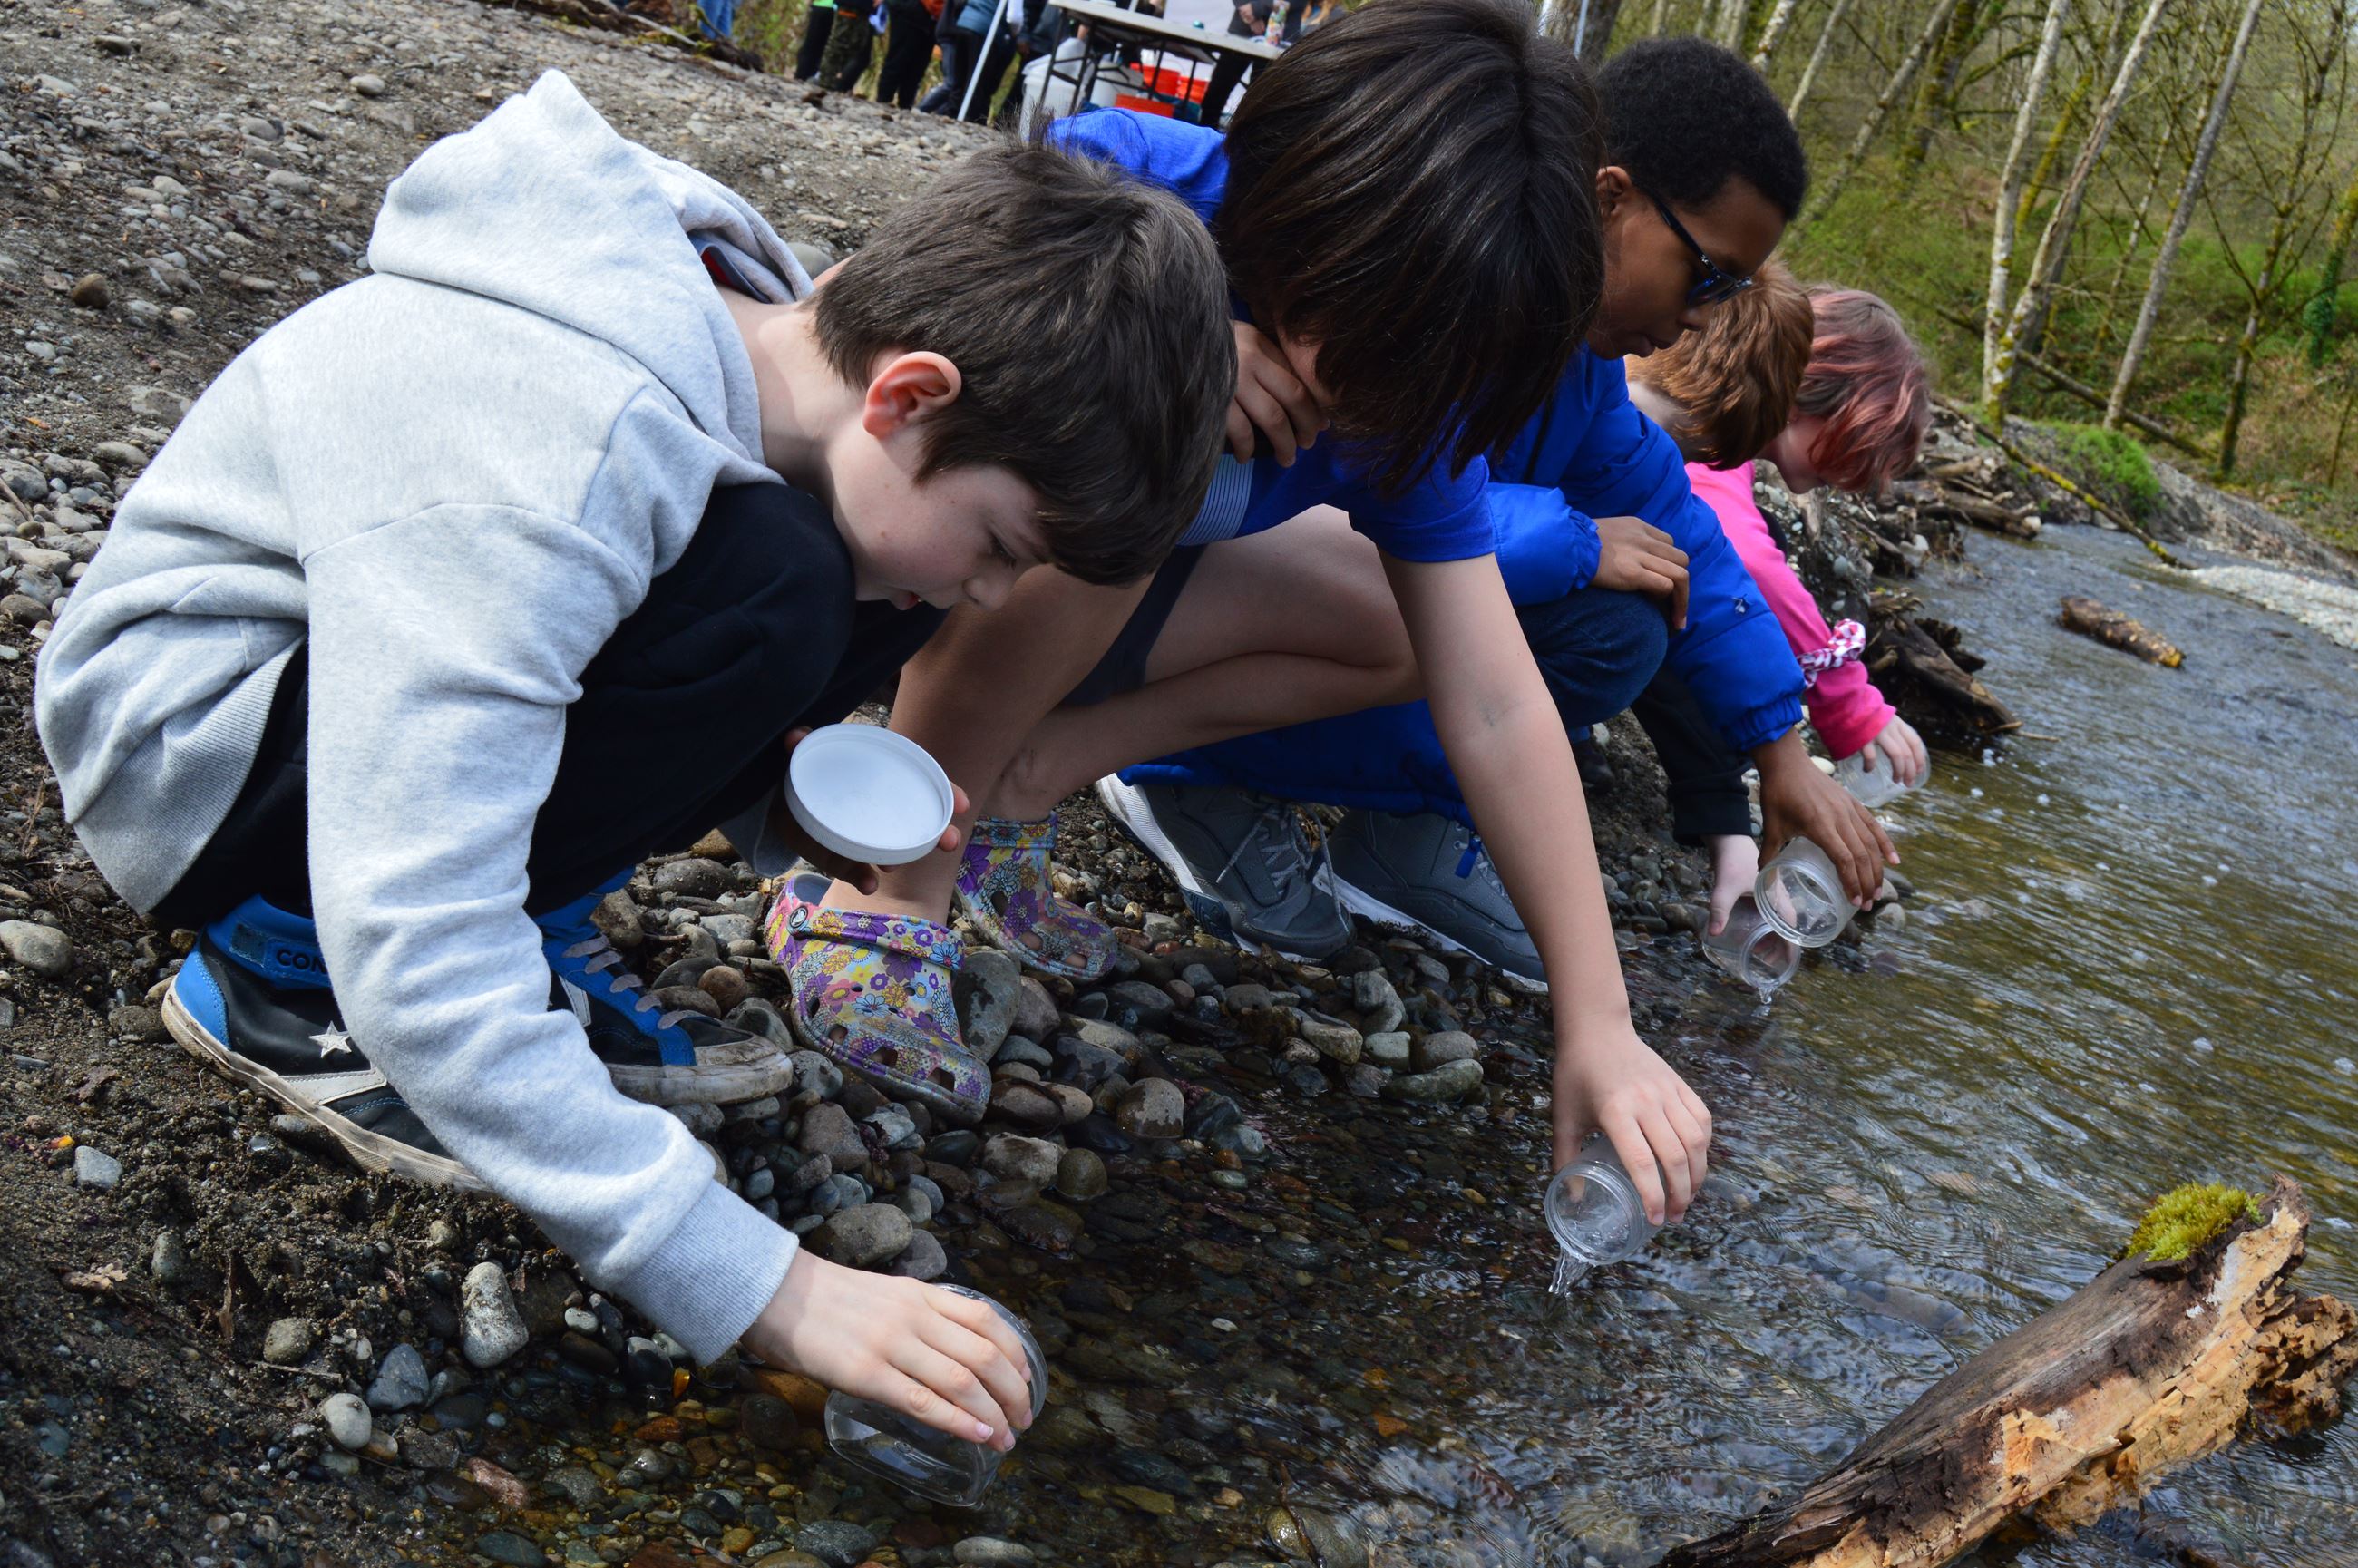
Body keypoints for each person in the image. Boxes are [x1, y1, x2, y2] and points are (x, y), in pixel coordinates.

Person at [34, 73, 1233, 1439]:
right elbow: (415, 928)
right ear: (909, 392)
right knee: (796, 581)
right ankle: (275, 975)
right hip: (186, 748)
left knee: (837, 587)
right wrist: (770, 1286)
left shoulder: (767, 371)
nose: (981, 600)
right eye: (1004, 548)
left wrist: (795, 812)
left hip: (360, 703)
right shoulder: (561, 439)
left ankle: (519, 934)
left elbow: (633, 669)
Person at [779, 0, 1720, 1227]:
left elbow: (1493, 696)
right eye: (1369, 347)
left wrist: (1598, 1018)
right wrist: (1180, 332)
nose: (1366, 402)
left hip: (1101, 592)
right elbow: (890, 323)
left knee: (1407, 622)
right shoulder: (1151, 188)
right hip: (929, 551)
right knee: (1141, 449)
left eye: (1426, 379)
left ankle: (1015, 789)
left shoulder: (1412, 393)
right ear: (1298, 207)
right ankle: (886, 873)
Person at [1101, 38, 1892, 999]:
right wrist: (1186, 317)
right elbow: (1087, 161)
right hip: (1180, 556)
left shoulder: (1583, 367)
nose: (1698, 320)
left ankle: (1399, 829)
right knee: (1422, 611)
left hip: (1288, 574)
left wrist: (1782, 753)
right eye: (1708, 277)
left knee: (1613, 630)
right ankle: (1178, 774)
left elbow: (1674, 524)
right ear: (1607, 197)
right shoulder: (1412, 256)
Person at [1621, 268, 1933, 932]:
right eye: (1857, 450)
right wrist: (1843, 699)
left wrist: (1734, 829)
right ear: (1806, 386)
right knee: (1643, 618)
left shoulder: (1704, 426)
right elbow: (1741, 561)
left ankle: (1726, 834)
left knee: (1670, 610)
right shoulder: (1688, 426)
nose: (1858, 483)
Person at [1197, 0, 1299, 129]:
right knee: (1217, 92)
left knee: (1261, 102)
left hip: (1281, 35)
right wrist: (1250, 15)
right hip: (1241, 30)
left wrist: (1256, 9)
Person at [876, 0, 943, 109]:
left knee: (917, 65)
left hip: (928, 19)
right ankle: (884, 100)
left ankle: (904, 104)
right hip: (910, 12)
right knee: (898, 59)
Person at [817, 0, 882, 91]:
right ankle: (826, 82)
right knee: (839, 43)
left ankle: (836, 82)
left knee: (857, 44)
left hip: (864, 8)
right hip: (850, 4)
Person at [794, 0, 838, 80]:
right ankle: (807, 76)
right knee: (822, 47)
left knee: (811, 44)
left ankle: (801, 76)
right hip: (835, 8)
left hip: (820, 6)